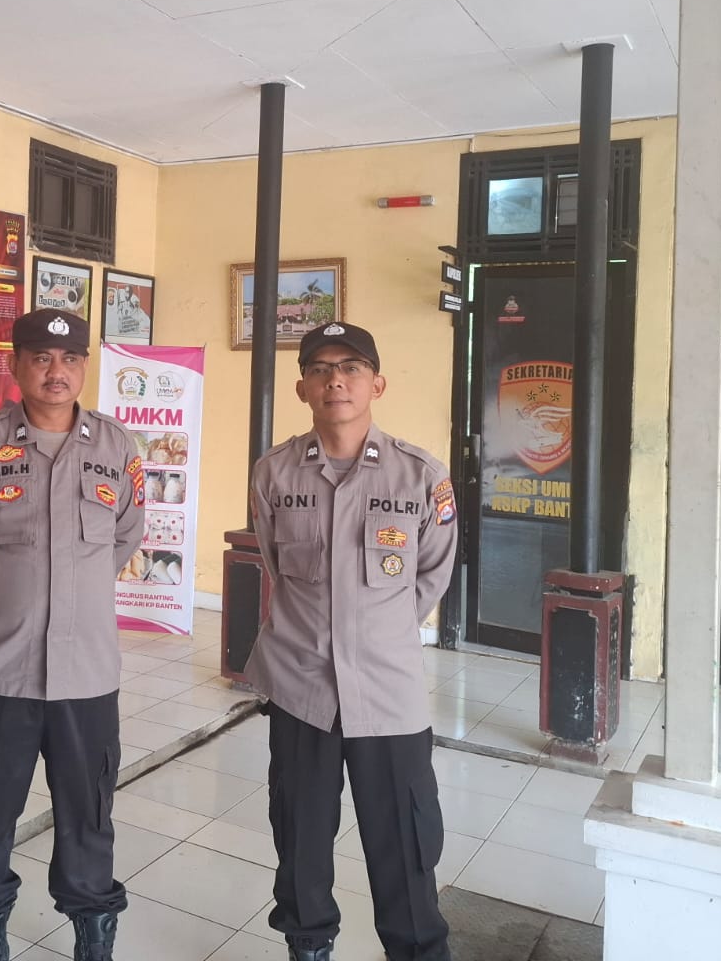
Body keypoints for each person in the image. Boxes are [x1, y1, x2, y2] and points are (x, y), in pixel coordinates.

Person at [0, 309, 145, 961]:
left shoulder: (117, 447)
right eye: (42, 358)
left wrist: (73, 602)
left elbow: (127, 533)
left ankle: (92, 934)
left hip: (86, 676)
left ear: (84, 367)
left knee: (88, 818)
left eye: (70, 359)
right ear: (15, 365)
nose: (57, 371)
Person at [245, 321, 458, 961]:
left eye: (351, 368)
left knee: (406, 845)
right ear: (303, 387)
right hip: (300, 688)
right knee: (300, 840)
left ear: (377, 384)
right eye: (320, 369)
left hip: (387, 694)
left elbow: (432, 574)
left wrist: (375, 633)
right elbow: (276, 565)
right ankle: (308, 946)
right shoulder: (274, 472)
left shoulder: (421, 476)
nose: (335, 380)